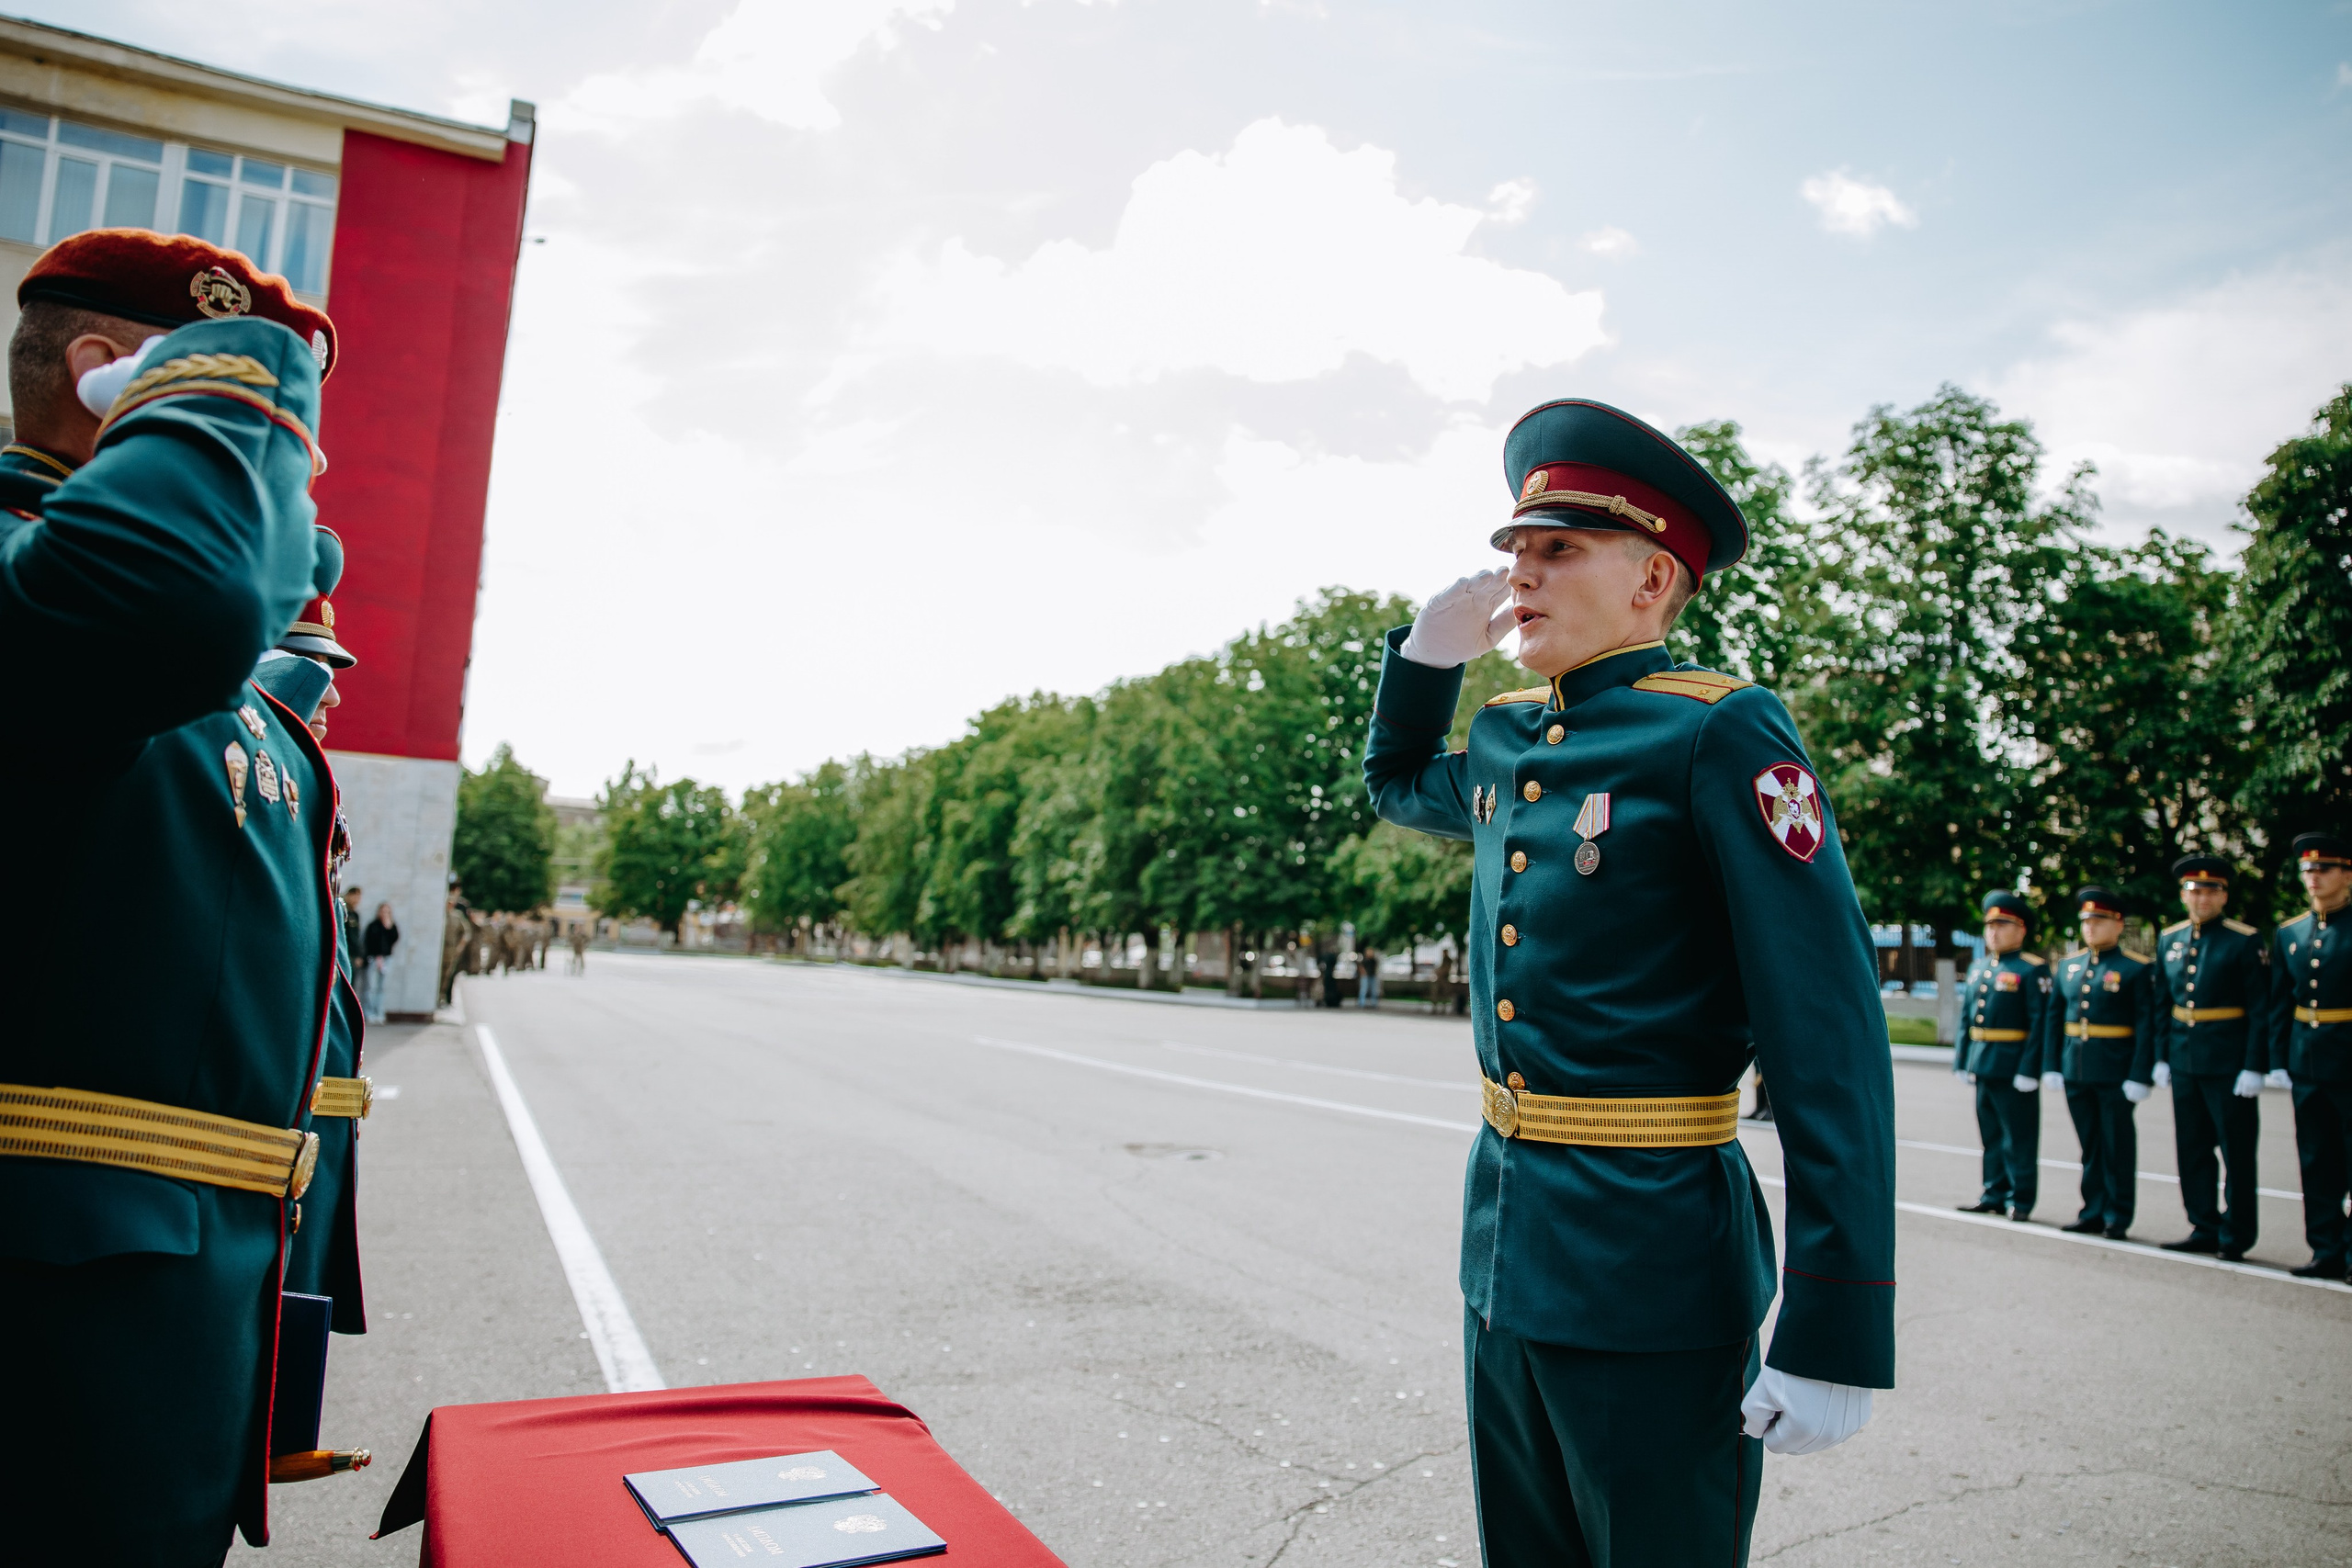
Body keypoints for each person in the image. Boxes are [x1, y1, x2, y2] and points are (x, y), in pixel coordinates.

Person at [1364, 398, 1893, 1566]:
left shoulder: (1719, 733)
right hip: (1504, 1246)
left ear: (1653, 581)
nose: (1523, 575)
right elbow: (1398, 785)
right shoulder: (1507, 739)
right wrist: (1420, 662)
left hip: (1650, 1261)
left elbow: (1830, 1036)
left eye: (1558, 550)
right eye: (1516, 550)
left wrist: (1835, 1326)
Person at [0, 229, 340, 1563]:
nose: (295, 469)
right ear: (107, 377)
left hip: (167, 1325)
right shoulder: (75, 577)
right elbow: (174, 592)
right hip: (50, 1330)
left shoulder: (146, 618)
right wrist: (220, 388)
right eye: (276, 431)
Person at [250, 533, 368, 1338]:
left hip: (307, 1136)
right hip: (251, 1144)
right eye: (305, 666)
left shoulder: (305, 791)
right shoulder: (254, 784)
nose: (328, 696)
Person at [2151, 855, 2269, 1259]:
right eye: (2194, 890)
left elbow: (2259, 1009)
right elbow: (2162, 1004)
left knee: (2236, 1153)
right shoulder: (2170, 939)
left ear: (2224, 896)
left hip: (2228, 1063)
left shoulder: (2244, 940)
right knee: (2192, 1148)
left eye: (2210, 890)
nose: (2201, 897)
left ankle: (2237, 1234)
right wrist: (2161, 1056)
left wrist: (2254, 1065)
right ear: (2184, 895)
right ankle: (2204, 1224)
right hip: (2184, 1061)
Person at [2042, 886, 2157, 1240]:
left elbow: (2146, 1026)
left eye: (2100, 920)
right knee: (2090, 1145)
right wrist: (2051, 1065)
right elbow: (2055, 1019)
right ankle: (2092, 1210)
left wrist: (2140, 1074)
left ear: (2118, 924)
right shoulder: (2069, 966)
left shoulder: (2135, 969)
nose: (2091, 927)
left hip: (2115, 1071)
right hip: (2077, 1069)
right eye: (2087, 920)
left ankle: (2117, 1215)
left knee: (2116, 1146)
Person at [2271, 832, 2352, 1281]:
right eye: (2308, 870)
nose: (2314, 877)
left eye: (2324, 869)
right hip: (2307, 1062)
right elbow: (2281, 1002)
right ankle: (2325, 1248)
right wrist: (2278, 1060)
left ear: (2347, 875)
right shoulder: (2291, 932)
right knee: (2316, 1159)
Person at [1953, 891, 2052, 1222]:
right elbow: (1967, 1018)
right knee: (1991, 1135)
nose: (1994, 931)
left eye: (2003, 925)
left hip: (2013, 1066)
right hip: (1983, 1062)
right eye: (1990, 925)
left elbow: (2040, 1025)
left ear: (2021, 930)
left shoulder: (2032, 969)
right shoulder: (1979, 967)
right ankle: (1993, 1192)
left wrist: (2030, 1069)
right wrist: (1963, 1060)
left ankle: (2020, 1199)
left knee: (2019, 1138)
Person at [363, 903, 400, 1023]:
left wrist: (388, 927)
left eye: (387, 911)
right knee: (370, 986)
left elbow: (394, 939)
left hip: (386, 959)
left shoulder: (391, 926)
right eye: (382, 911)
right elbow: (369, 941)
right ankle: (369, 1012)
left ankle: (379, 1012)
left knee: (381, 987)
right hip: (374, 958)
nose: (384, 914)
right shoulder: (373, 925)